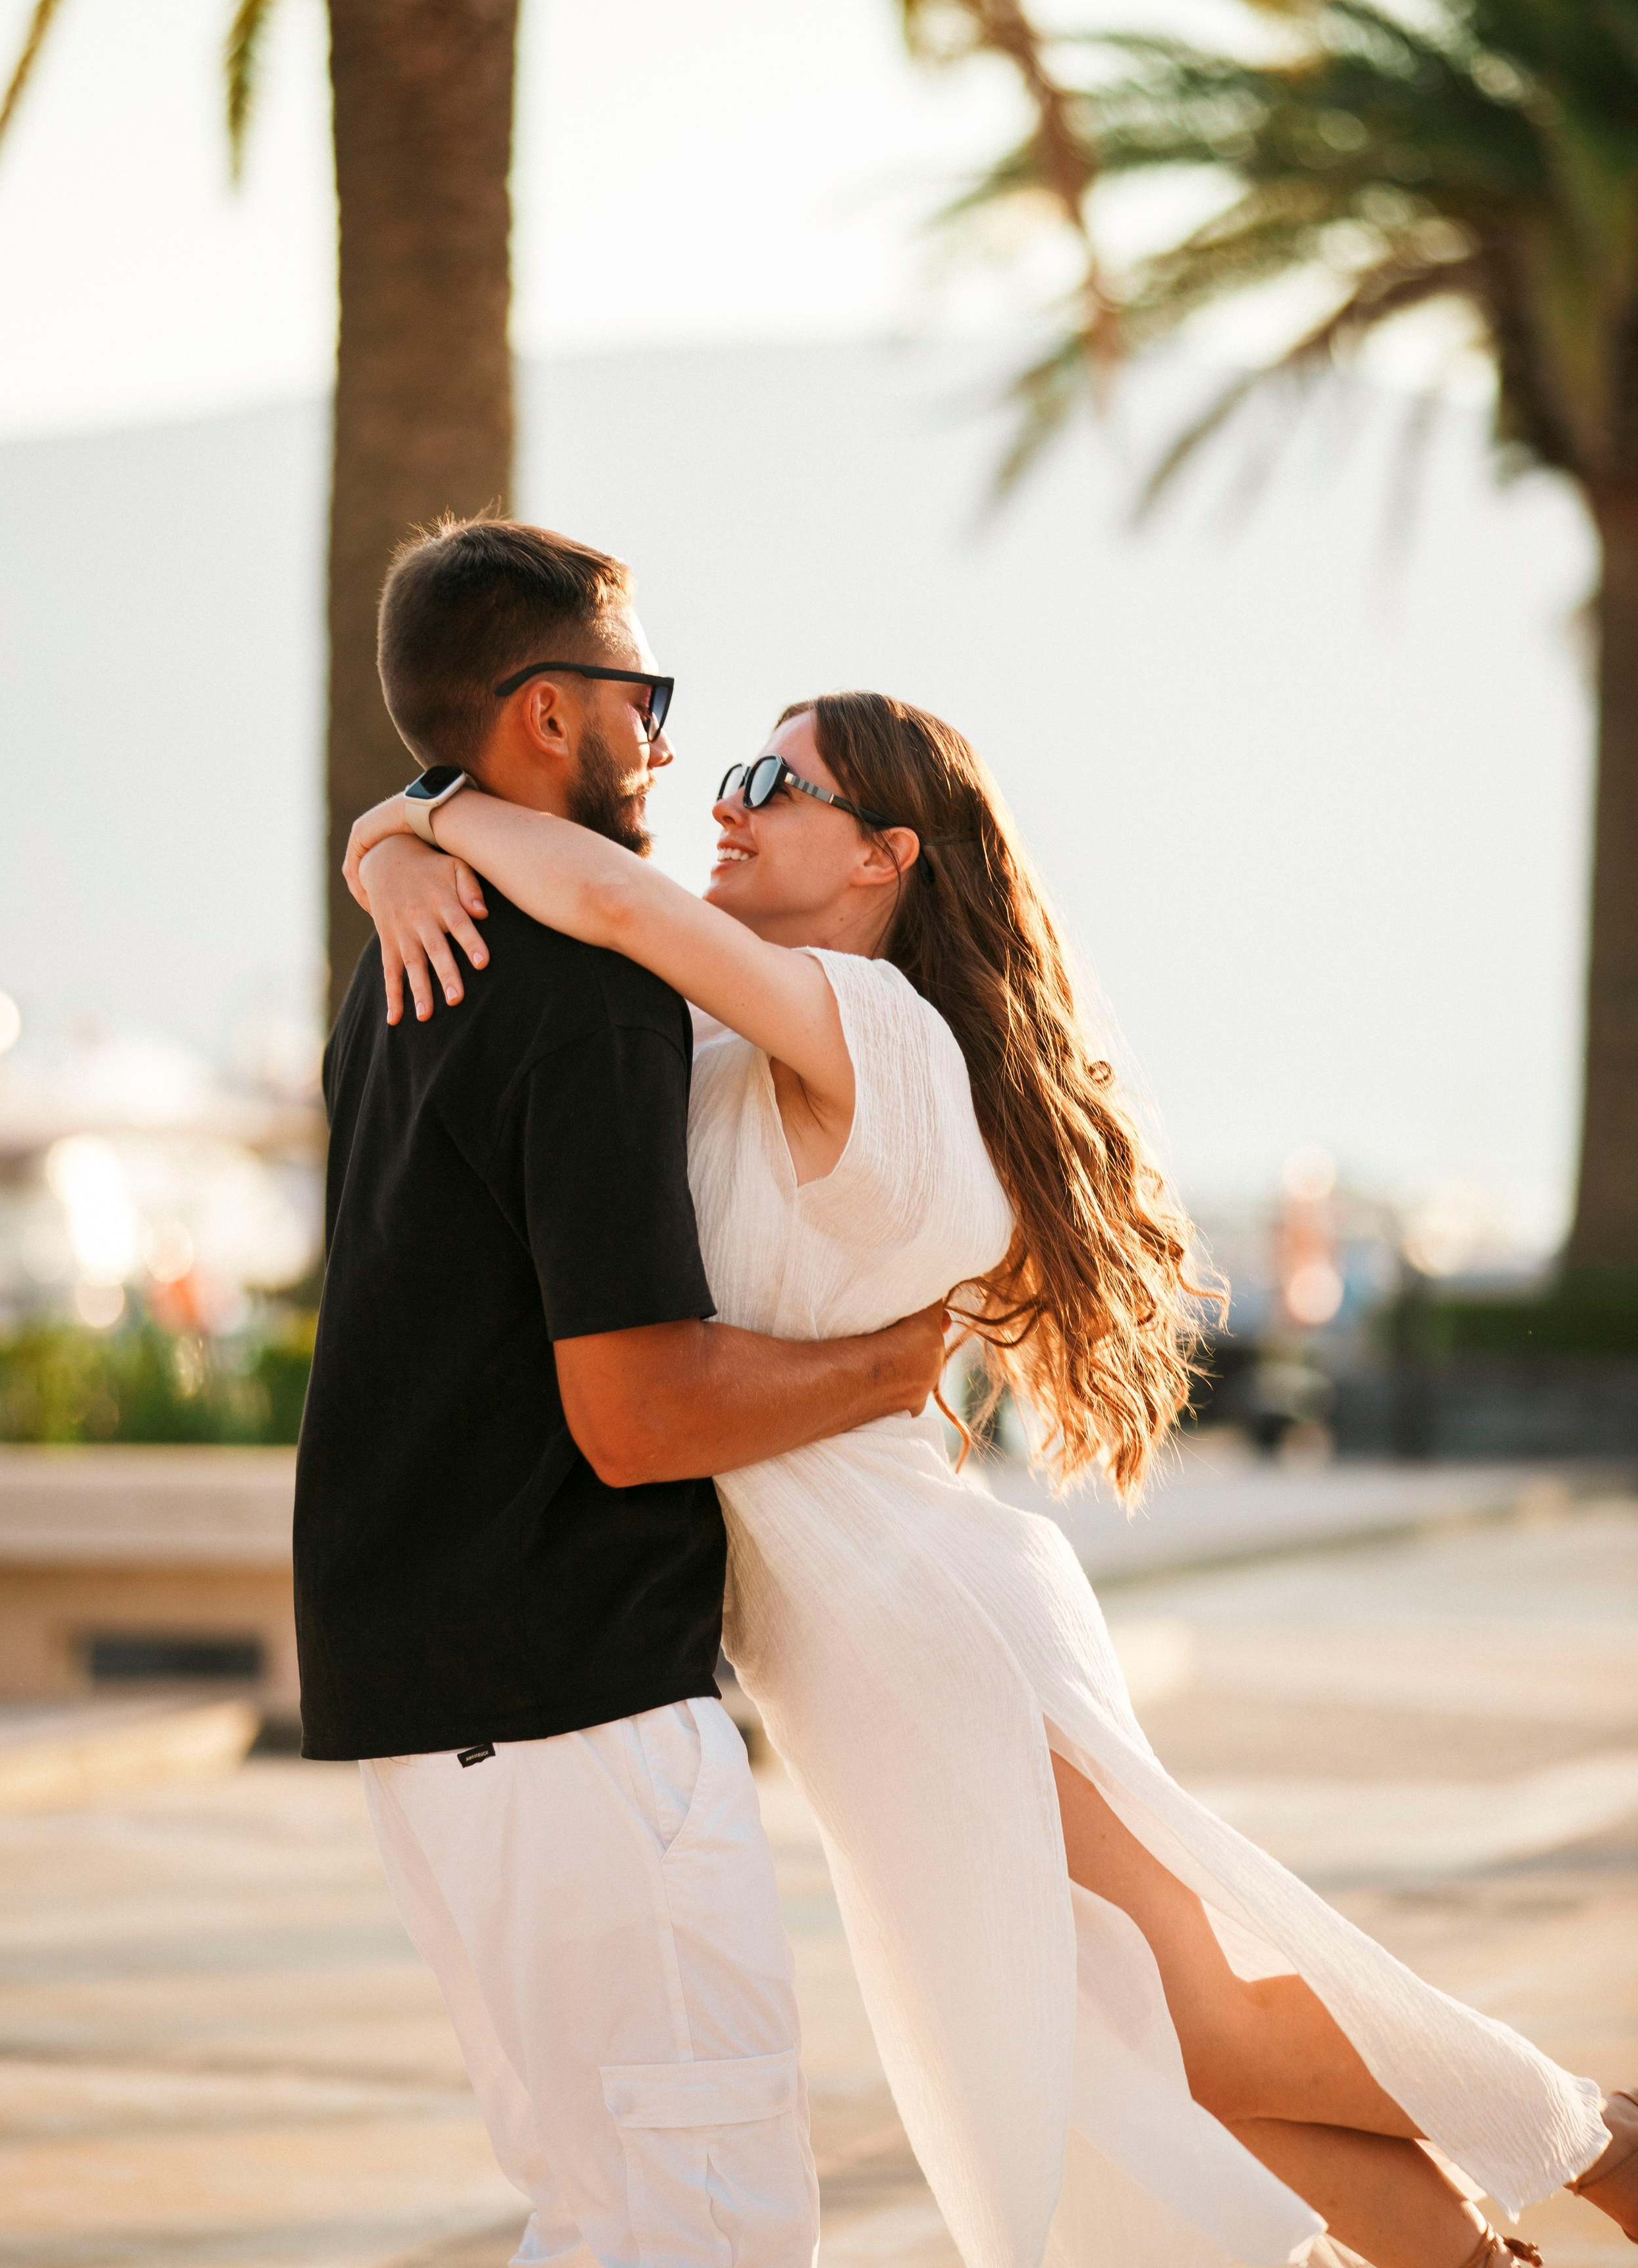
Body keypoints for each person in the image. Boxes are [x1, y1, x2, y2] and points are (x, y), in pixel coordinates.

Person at [348, 524, 1635, 2268]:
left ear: (886, 857)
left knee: (1198, 2015)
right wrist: (396, 843)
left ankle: (1597, 2140)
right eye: (725, 767)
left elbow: (602, 891)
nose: (722, 799)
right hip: (846, 1636)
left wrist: (425, 818)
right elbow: (589, 894)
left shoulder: (875, 1034)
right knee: (1131, 2042)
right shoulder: (729, 1026)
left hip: (923, 1612)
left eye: (774, 783)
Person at [296, 519, 950, 2268]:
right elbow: (637, 1414)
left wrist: (400, 827)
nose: (665, 741)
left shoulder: (410, 948)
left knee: (603, 2212)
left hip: (440, 1704)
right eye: (640, 697)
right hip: (570, 1705)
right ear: (543, 716)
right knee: (703, 2224)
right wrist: (891, 1367)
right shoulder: (587, 990)